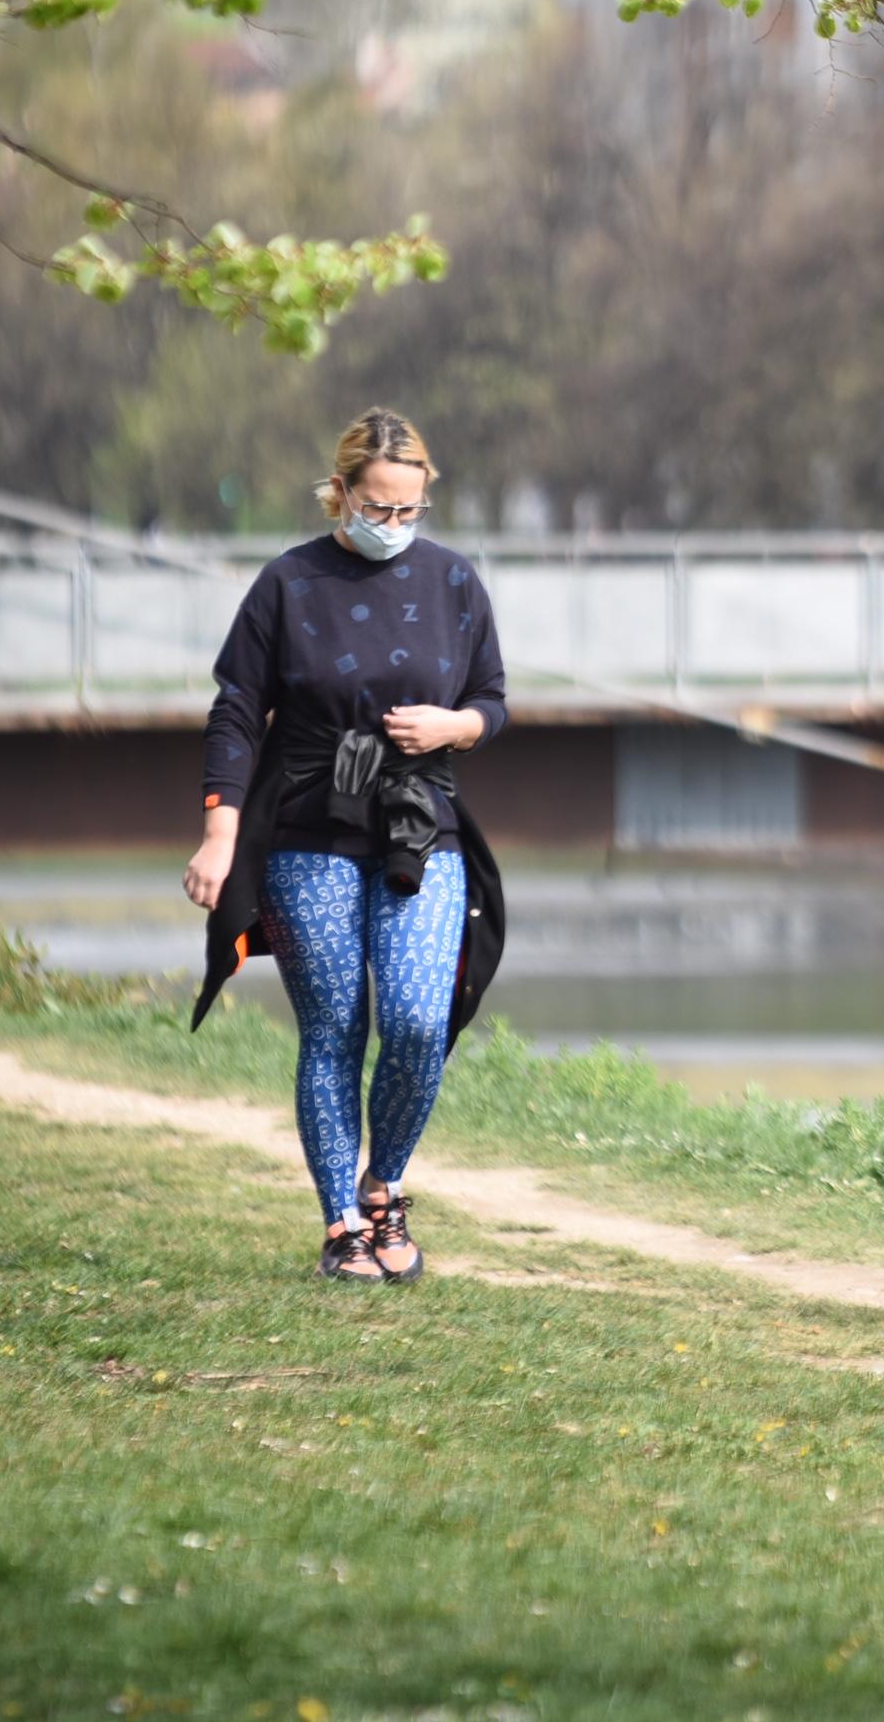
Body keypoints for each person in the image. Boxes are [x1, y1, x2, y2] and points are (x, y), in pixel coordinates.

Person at [184, 408, 511, 1284]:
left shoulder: (454, 584)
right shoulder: (288, 585)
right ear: (341, 492)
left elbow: (493, 699)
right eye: (378, 507)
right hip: (307, 827)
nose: (393, 527)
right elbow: (235, 711)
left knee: (416, 1017)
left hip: (419, 825)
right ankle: (341, 1225)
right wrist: (221, 835)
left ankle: (385, 1185)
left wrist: (457, 724)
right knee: (334, 1023)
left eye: (409, 511)